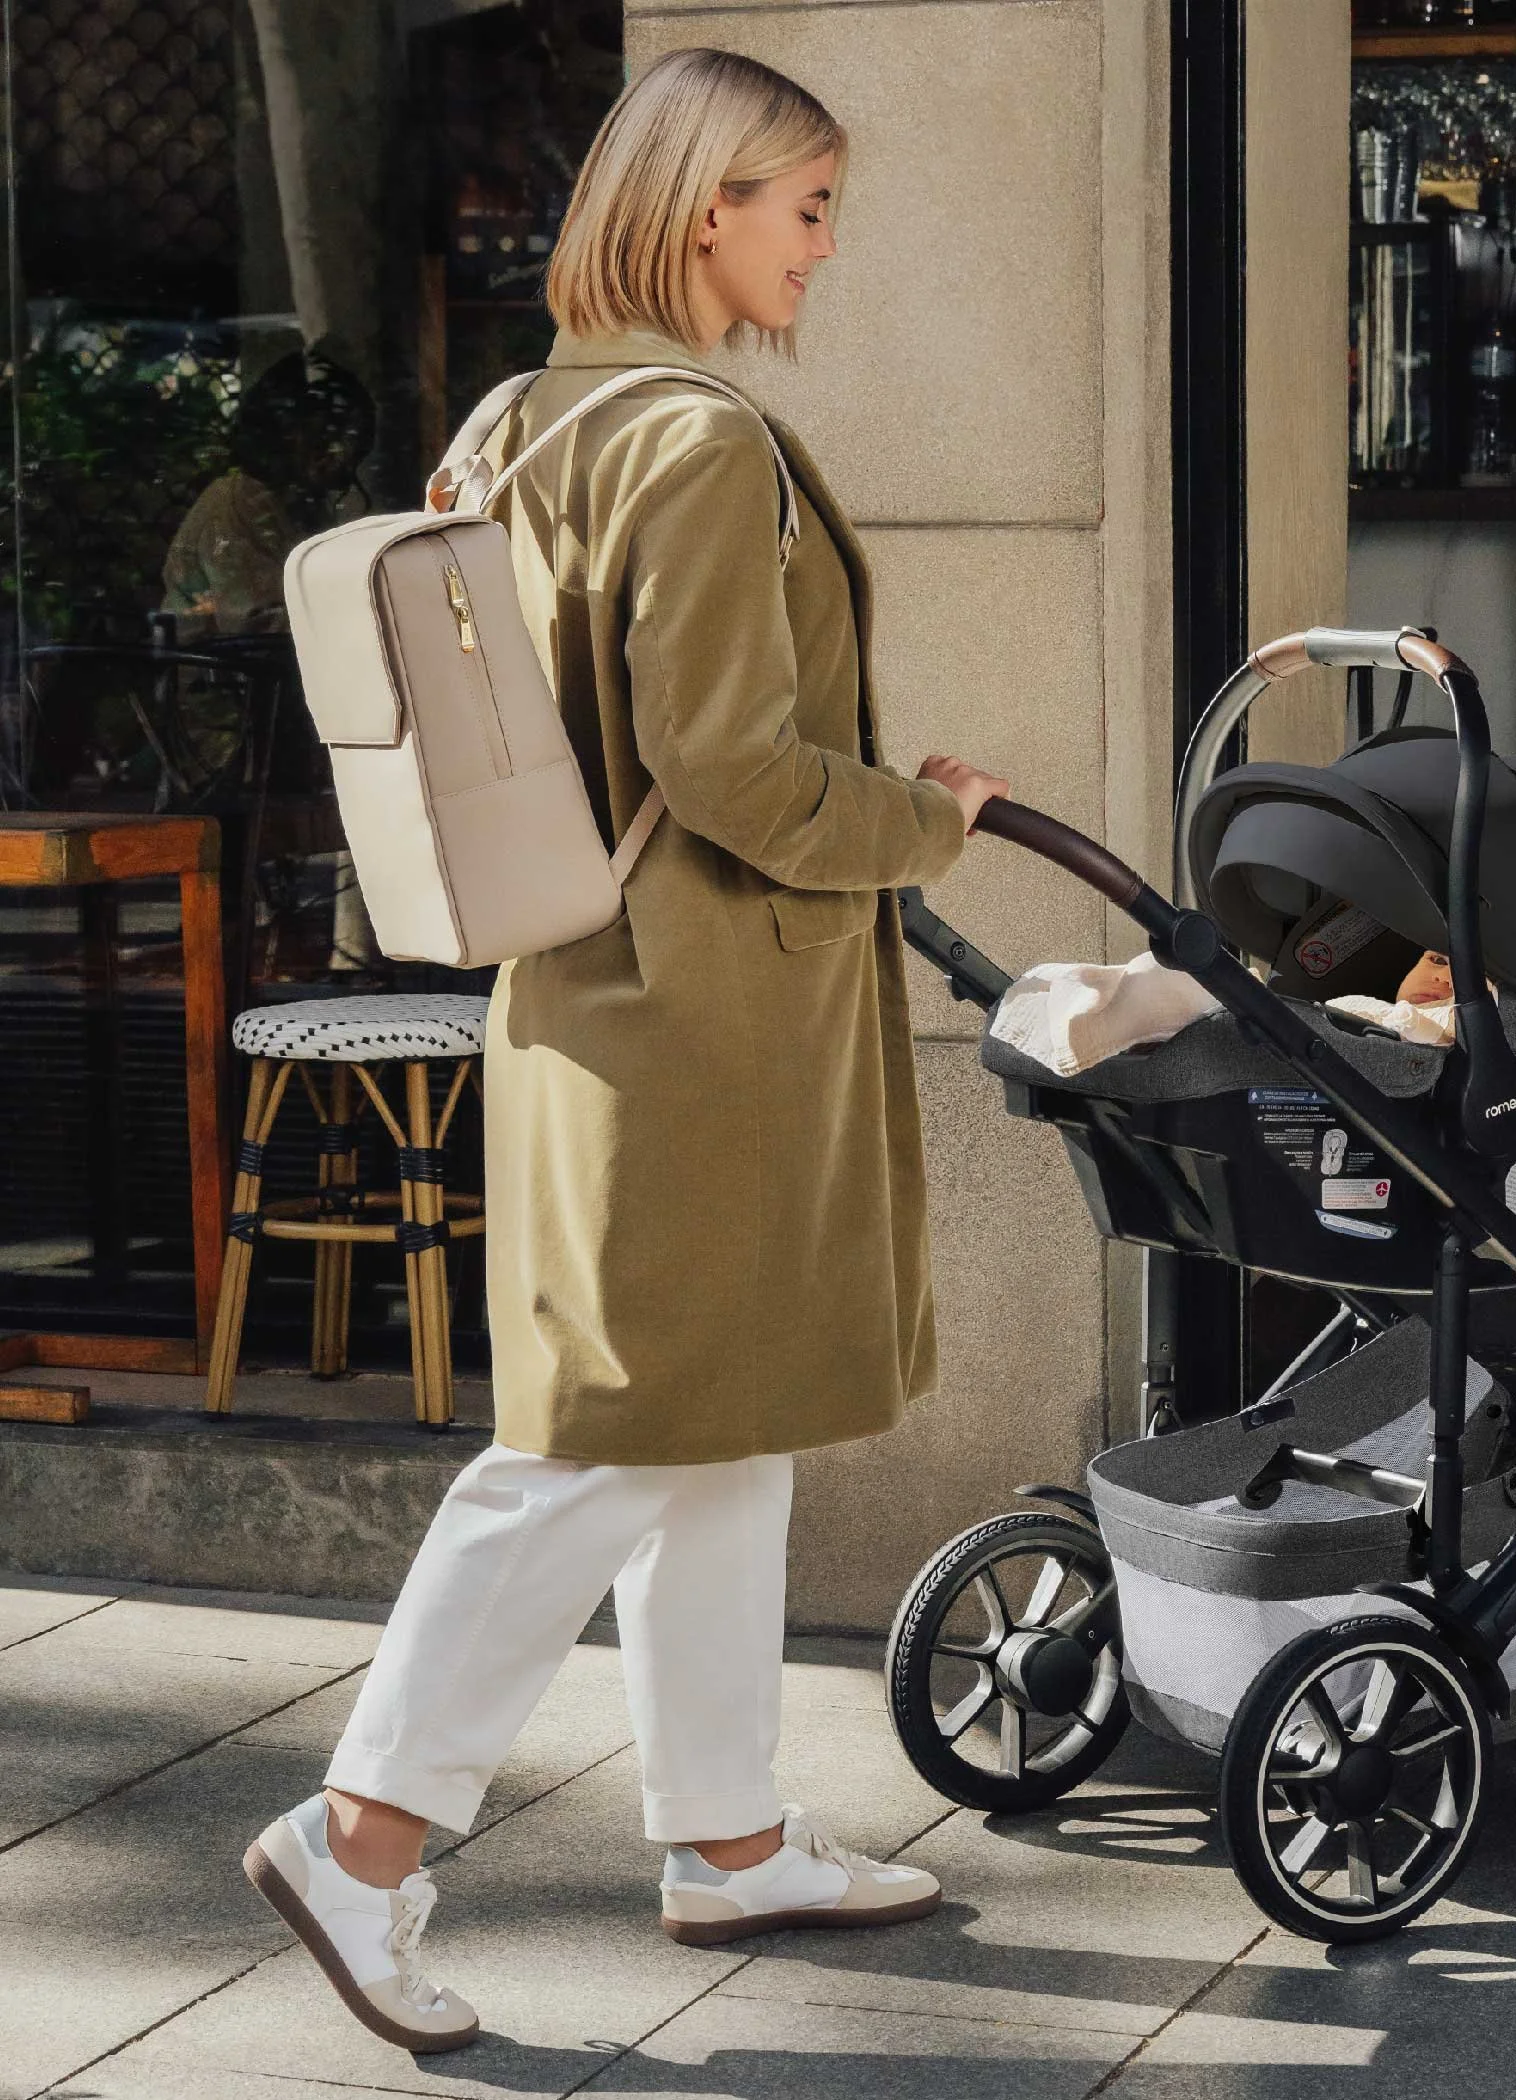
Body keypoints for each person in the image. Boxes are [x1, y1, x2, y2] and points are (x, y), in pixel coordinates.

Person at [240, 49, 1011, 2055]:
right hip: (709, 1016)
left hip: (584, 981)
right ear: (704, 214)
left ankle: (731, 1837)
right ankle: (361, 1838)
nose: (826, 248)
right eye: (805, 209)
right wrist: (928, 820)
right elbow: (733, 771)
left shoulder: (522, 422)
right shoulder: (694, 443)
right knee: (595, 1442)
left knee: (710, 1412)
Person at [161, 351, 374, 641]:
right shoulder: (239, 503)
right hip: (224, 680)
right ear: (285, 434)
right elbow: (257, 622)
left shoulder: (294, 504)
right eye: (324, 438)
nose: (340, 456)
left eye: (350, 443)